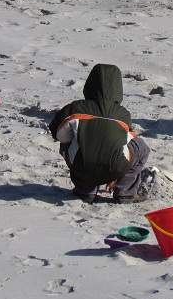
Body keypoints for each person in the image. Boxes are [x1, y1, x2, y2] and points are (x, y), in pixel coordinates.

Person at [49, 64, 157, 203]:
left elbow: (57, 134)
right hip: (115, 167)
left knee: (67, 141)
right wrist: (115, 175)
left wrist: (82, 135)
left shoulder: (76, 107)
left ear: (90, 84)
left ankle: (86, 190)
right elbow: (122, 142)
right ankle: (125, 191)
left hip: (82, 166)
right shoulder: (123, 113)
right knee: (141, 148)